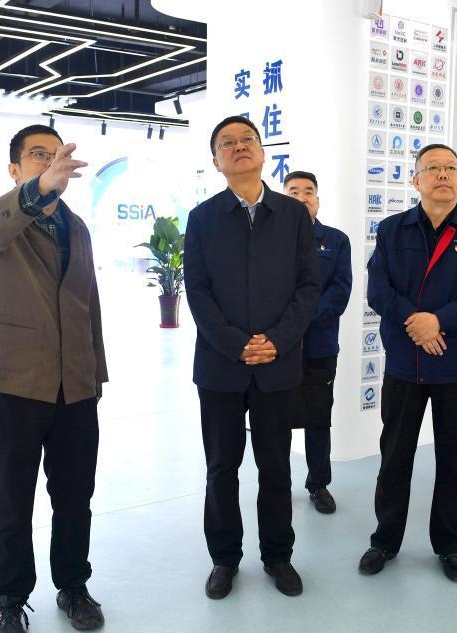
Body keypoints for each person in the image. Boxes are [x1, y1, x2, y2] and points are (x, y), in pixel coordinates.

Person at [0, 124, 108, 633]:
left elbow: (88, 303)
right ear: (15, 169)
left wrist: (95, 374)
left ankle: (73, 585)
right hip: (14, 383)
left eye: (55, 154)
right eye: (38, 155)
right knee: (12, 498)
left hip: (76, 386)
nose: (50, 162)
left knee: (75, 496)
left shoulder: (78, 228)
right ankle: (9, 598)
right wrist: (37, 191)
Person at [185, 115, 320, 600]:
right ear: (216, 160)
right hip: (220, 366)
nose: (239, 147)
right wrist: (235, 343)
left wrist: (277, 341)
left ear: (263, 153)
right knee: (221, 467)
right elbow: (197, 290)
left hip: (277, 365)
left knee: (276, 467)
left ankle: (278, 555)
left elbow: (309, 286)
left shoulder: (293, 215)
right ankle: (224, 558)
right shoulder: (202, 218)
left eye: (248, 140)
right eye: (228, 143)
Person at [360, 143, 457, 581]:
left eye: (451, 168)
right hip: (406, 363)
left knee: (456, 460)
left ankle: (450, 545)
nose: (443, 174)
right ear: (415, 180)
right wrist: (415, 322)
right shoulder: (392, 229)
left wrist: (437, 321)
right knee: (395, 456)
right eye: (433, 168)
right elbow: (378, 290)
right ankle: (385, 540)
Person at [283, 170, 352, 514]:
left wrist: (299, 319)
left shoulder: (336, 241)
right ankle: (277, 484)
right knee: (276, 419)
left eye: (308, 191)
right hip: (278, 348)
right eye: (293, 192)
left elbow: (340, 291)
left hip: (319, 345)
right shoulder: (267, 239)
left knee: (317, 417)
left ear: (318, 200)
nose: (302, 197)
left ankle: (318, 484)